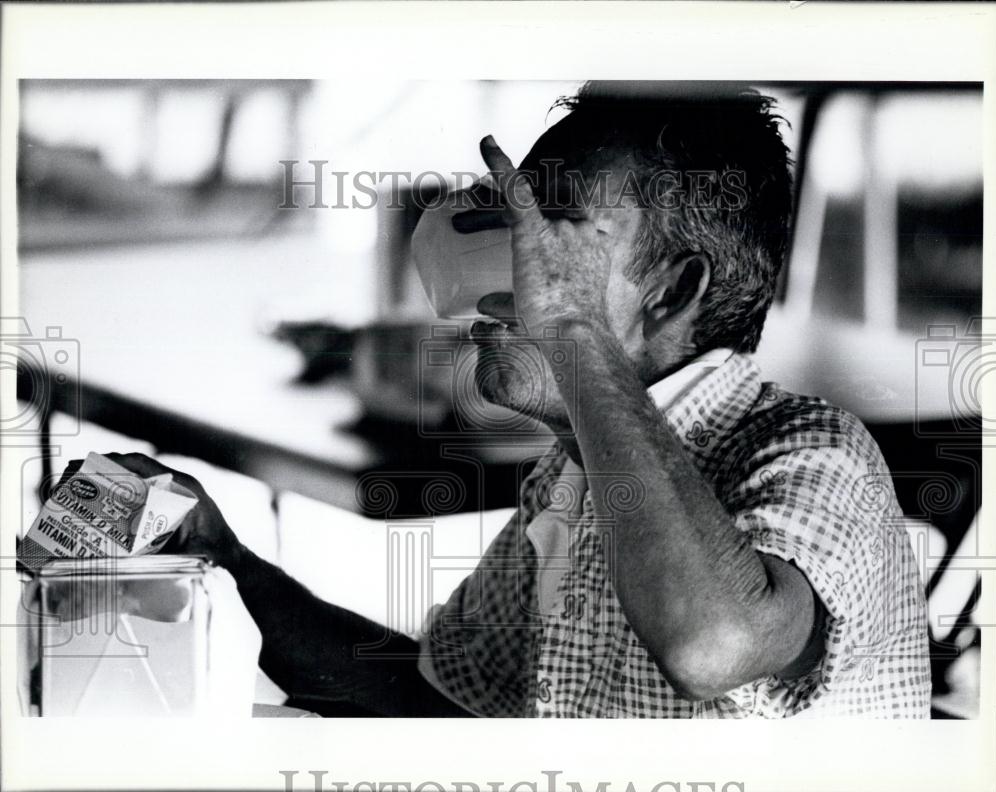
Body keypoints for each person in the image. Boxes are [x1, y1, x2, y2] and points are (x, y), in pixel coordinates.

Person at [107, 82, 931, 718]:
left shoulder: (816, 456)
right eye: (508, 223)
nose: (506, 269)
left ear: (672, 291)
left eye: (550, 238)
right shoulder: (568, 479)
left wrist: (571, 328)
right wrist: (222, 559)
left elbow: (714, 640)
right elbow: (436, 706)